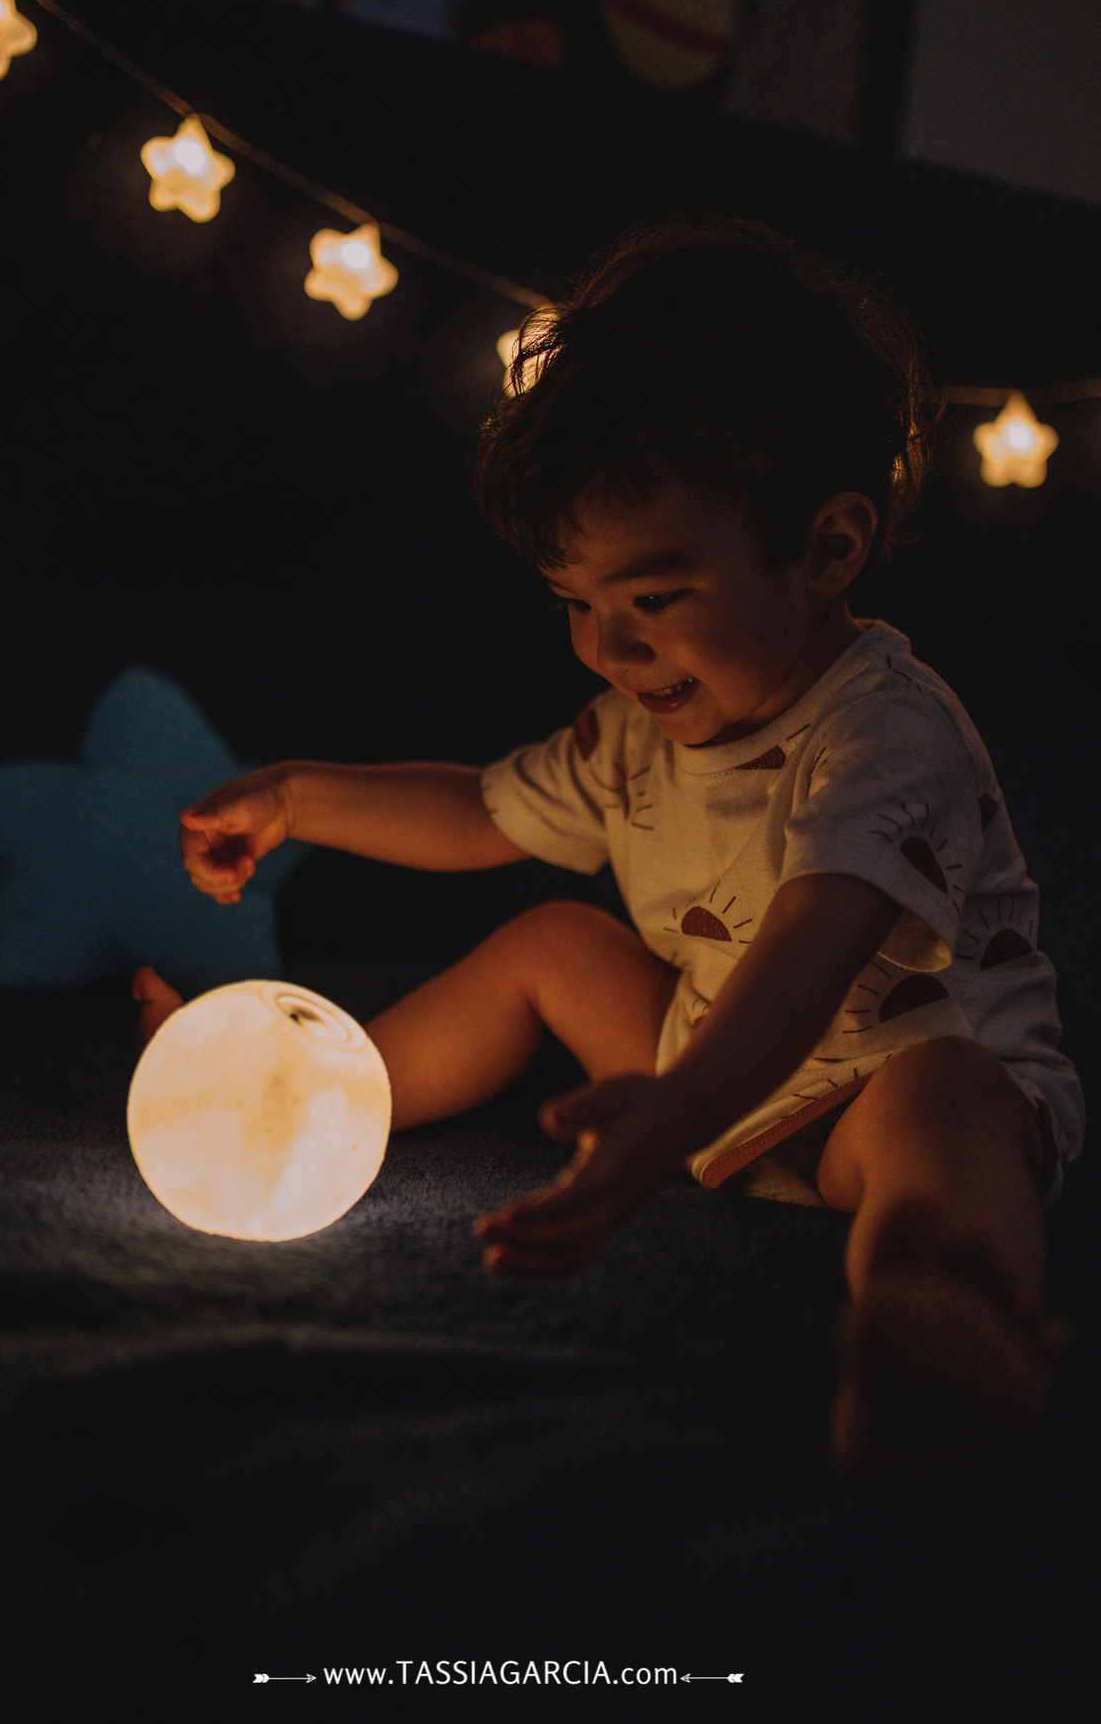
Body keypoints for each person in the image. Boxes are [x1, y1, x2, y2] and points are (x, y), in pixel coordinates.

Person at [134, 219, 1083, 1478]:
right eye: (577, 605)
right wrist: (299, 797)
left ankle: (935, 1310)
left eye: (656, 599)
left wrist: (676, 1109)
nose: (610, 652)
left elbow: (817, 942)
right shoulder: (636, 731)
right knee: (553, 940)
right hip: (698, 1088)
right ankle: (289, 1093)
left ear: (828, 547)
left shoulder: (886, 736)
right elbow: (481, 809)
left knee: (949, 1098)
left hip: (875, 1083)